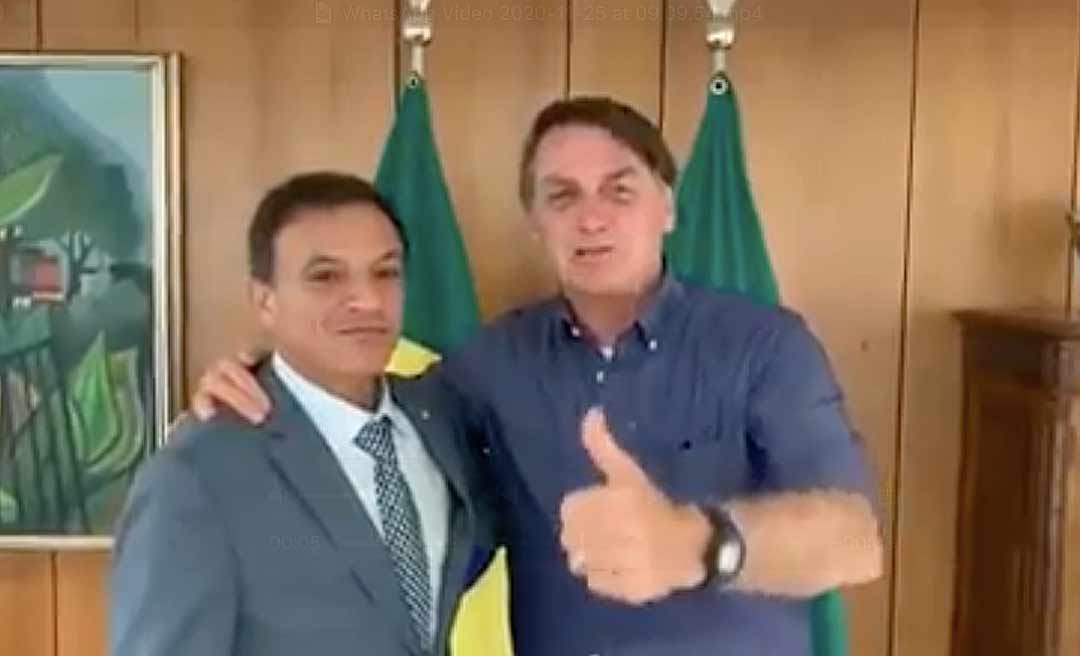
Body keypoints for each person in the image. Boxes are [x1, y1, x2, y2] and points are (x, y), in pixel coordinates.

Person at [192, 98, 883, 655]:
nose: (592, 217)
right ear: (535, 221)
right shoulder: (488, 366)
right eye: (562, 196)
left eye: (619, 190)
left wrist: (697, 544)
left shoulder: (765, 345)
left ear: (668, 207)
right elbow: (359, 416)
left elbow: (855, 542)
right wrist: (262, 375)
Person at [110, 173, 493, 656]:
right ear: (265, 301)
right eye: (326, 276)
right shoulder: (196, 476)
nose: (368, 300)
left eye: (386, 272)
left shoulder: (442, 421)